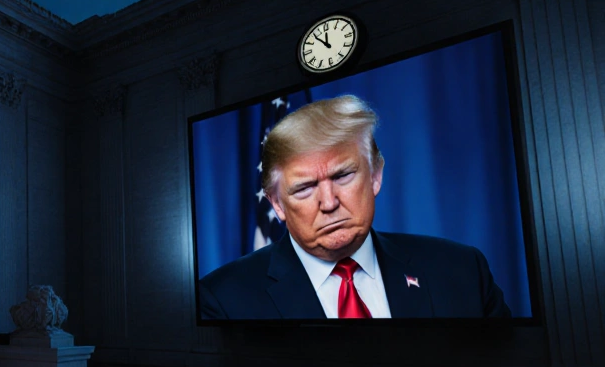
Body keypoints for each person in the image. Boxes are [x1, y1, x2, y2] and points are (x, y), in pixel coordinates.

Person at [197, 95, 511, 320]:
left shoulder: (461, 270)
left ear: (375, 175)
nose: (329, 203)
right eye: (305, 188)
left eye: (343, 175)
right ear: (277, 204)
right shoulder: (223, 299)